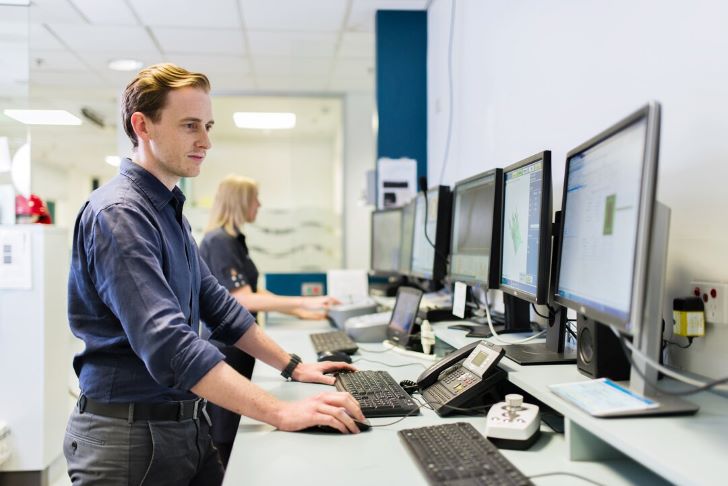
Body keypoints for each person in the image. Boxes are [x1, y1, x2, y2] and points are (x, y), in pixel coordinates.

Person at [64, 63, 364, 486]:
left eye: (207, 125)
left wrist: (293, 366)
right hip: (130, 442)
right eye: (190, 126)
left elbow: (219, 304)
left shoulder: (167, 209)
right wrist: (280, 410)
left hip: (184, 426)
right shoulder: (120, 215)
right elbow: (169, 345)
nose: (206, 141)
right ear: (143, 125)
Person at [198, 174, 340, 465]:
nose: (259, 205)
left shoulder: (234, 239)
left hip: (240, 345)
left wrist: (298, 311)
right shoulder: (219, 241)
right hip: (226, 350)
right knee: (224, 436)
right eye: (255, 199)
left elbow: (252, 289)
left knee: (232, 429)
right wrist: (303, 300)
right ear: (240, 202)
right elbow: (242, 299)